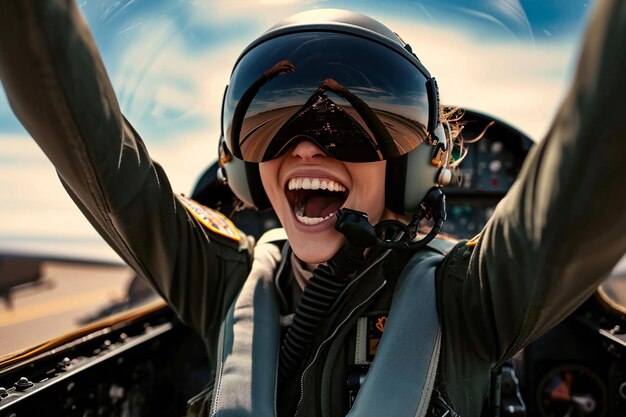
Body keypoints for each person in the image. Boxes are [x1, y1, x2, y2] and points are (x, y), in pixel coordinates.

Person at [1, 1, 625, 416]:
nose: (304, 145)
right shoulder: (222, 280)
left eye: (353, 126)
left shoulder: (472, 298)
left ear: (414, 168)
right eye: (269, 119)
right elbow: (92, 146)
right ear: (243, 168)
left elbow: (592, 169)